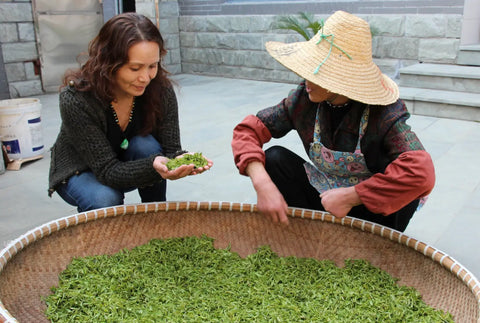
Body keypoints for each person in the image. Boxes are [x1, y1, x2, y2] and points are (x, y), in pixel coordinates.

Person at [231, 10, 434, 232]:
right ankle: (309, 232)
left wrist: (352, 196)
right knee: (274, 158)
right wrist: (262, 184)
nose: (307, 80)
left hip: (371, 208)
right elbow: (249, 130)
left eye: (318, 74)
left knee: (408, 188)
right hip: (326, 196)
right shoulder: (303, 100)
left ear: (342, 80)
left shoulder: (383, 112)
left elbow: (422, 172)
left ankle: (375, 246)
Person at [48, 12, 212, 212]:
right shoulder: (77, 99)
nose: (145, 77)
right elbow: (108, 171)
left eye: (152, 66)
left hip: (123, 160)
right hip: (81, 168)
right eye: (135, 68)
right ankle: (105, 239)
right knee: (105, 198)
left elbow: (171, 151)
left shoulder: (160, 89)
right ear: (108, 63)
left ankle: (156, 215)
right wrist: (155, 165)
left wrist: (179, 161)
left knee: (147, 146)